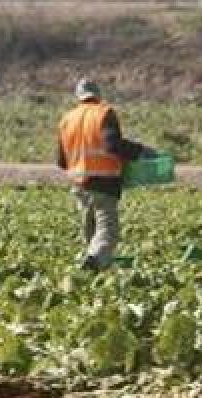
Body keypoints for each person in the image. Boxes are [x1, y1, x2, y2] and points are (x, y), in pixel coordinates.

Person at [56, 79, 148, 271]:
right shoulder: (104, 113)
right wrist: (140, 151)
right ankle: (95, 260)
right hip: (104, 182)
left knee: (90, 229)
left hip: (80, 185)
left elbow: (61, 160)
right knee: (107, 231)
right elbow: (112, 145)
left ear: (79, 97)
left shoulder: (67, 119)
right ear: (98, 95)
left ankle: (93, 268)